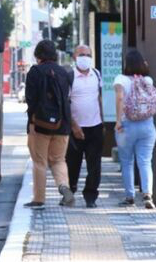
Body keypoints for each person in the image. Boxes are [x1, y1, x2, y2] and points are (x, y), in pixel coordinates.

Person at [24, 40, 75, 209]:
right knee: (59, 160)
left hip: (40, 125)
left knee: (39, 161)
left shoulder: (35, 72)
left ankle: (39, 198)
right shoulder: (65, 73)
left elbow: (30, 100)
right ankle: (64, 187)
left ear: (38, 55)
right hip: (63, 125)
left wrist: (32, 120)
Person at [114, 49, 156, 209]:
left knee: (127, 162)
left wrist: (118, 121)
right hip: (148, 126)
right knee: (145, 161)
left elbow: (119, 98)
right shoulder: (148, 80)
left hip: (127, 126)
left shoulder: (120, 79)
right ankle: (147, 195)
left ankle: (130, 196)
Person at [65, 45, 103, 208]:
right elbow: (65, 103)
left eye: (88, 54)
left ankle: (91, 196)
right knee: (73, 164)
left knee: (94, 165)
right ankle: (69, 193)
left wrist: (102, 120)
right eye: (82, 54)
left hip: (95, 126)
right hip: (75, 128)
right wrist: (74, 126)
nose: (85, 57)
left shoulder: (96, 74)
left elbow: (99, 98)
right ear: (74, 57)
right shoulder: (70, 76)